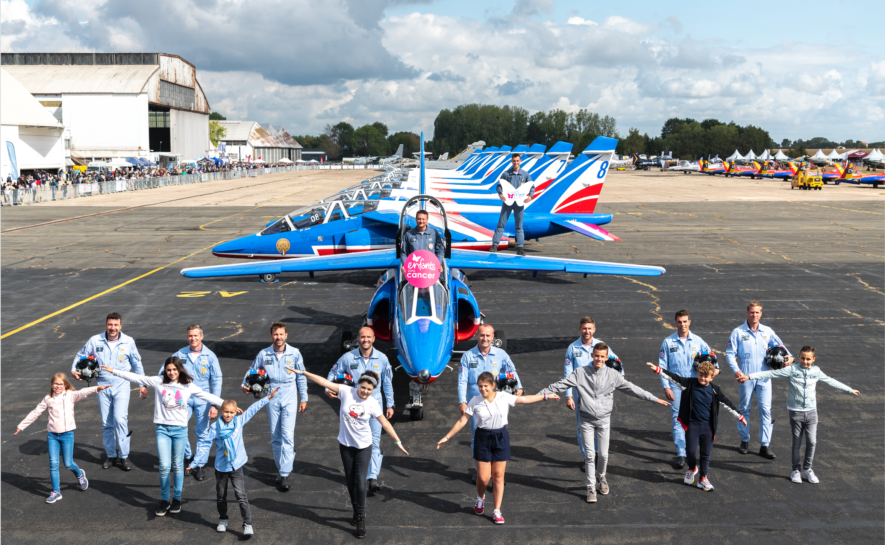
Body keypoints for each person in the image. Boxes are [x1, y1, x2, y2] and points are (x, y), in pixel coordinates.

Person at [539, 343, 670, 503]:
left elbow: (633, 389)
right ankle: (590, 487)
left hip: (604, 421)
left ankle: (601, 477)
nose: (599, 359)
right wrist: (538, 396)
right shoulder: (580, 373)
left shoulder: (613, 375)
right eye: (596, 356)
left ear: (606, 358)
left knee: (603, 455)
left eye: (602, 356)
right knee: (589, 456)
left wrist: (654, 399)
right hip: (586, 420)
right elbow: (558, 385)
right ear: (592, 355)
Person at [101, 357, 225, 516]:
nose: (172, 372)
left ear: (179, 370)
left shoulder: (187, 385)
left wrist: (229, 405)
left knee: (178, 465)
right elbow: (137, 377)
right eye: (169, 370)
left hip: (180, 430)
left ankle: (177, 499)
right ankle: (165, 500)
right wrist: (113, 371)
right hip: (162, 430)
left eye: (175, 369)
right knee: (165, 466)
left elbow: (207, 396)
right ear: (165, 370)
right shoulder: (159, 381)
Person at [293, 368, 408, 539]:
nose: (365, 392)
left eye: (369, 390)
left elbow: (385, 423)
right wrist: (302, 372)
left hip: (363, 447)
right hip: (346, 445)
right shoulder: (346, 391)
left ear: (373, 390)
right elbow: (324, 382)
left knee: (360, 482)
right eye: (363, 388)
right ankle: (355, 511)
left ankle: (361, 518)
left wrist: (397, 441)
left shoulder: (373, 403)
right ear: (358, 385)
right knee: (350, 481)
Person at [439, 372, 557, 524]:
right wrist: (447, 437)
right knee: (482, 477)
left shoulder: (503, 397)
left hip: (500, 437)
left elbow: (524, 399)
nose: (482, 389)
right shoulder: (475, 401)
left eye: (485, 386)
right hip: (483, 438)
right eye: (480, 386)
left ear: (493, 385)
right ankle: (480, 498)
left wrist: (545, 396)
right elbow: (463, 420)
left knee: (498, 477)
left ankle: (496, 511)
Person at [739, 346, 860, 484]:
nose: (805, 361)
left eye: (808, 359)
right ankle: (795, 470)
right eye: (802, 358)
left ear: (813, 359)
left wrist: (849, 390)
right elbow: (769, 374)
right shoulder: (792, 369)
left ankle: (807, 469)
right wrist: (749, 376)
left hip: (811, 412)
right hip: (796, 412)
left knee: (812, 442)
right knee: (797, 442)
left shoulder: (816, 371)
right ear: (799, 357)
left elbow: (830, 380)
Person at [646, 360, 745, 492]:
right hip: (692, 425)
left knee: (706, 454)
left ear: (712, 377)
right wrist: (658, 369)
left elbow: (727, 403)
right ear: (697, 374)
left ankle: (702, 478)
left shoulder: (715, 390)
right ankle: (692, 468)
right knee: (691, 452)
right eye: (700, 375)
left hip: (708, 427)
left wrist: (740, 416)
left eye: (706, 376)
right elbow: (675, 378)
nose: (702, 378)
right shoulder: (690, 384)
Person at [15, 374, 110, 503]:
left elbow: (83, 392)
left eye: (60, 384)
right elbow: (35, 412)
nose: (57, 386)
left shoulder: (70, 395)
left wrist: (97, 388)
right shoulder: (48, 399)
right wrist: (21, 426)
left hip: (67, 435)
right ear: (51, 384)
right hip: (52, 435)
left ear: (65, 385)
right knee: (53, 464)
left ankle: (80, 474)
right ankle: (56, 491)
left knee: (68, 463)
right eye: (55, 383)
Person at [71, 312, 147, 471]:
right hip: (102, 386)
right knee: (107, 423)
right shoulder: (95, 340)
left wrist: (142, 384)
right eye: (110, 325)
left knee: (120, 420)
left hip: (122, 386)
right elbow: (81, 355)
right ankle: (111, 455)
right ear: (106, 325)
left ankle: (124, 456)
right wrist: (74, 370)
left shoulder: (128, 341)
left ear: (121, 326)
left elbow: (137, 363)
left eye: (116, 325)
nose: (113, 328)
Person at [239, 322, 307, 491]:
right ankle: (280, 468)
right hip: (272, 396)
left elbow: (302, 376)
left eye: (281, 334)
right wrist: (244, 384)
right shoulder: (264, 354)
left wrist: (304, 398)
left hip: (290, 395)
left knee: (287, 435)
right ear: (271, 336)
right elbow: (252, 370)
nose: (279, 337)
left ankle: (284, 474)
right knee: (276, 436)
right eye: (276, 334)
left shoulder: (295, 353)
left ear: (286, 335)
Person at [326, 327, 394, 495]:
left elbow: (387, 383)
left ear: (373, 339)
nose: (365, 340)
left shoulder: (382, 359)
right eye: (362, 337)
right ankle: (360, 475)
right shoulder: (348, 358)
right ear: (358, 339)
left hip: (374, 406)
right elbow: (333, 373)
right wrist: (328, 389)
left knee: (375, 440)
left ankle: (372, 478)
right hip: (354, 408)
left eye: (368, 337)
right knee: (356, 443)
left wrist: (390, 404)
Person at [208, 388, 280, 536]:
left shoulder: (239, 421)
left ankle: (247, 524)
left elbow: (253, 409)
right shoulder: (215, 427)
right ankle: (223, 519)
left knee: (241, 495)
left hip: (236, 465)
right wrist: (196, 462)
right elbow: (204, 444)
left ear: (236, 412)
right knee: (221, 495)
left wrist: (268, 398)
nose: (228, 415)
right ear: (221, 411)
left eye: (231, 412)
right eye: (226, 412)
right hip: (221, 466)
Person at [726, 301, 793, 458]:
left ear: (761, 314)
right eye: (751, 312)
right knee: (744, 409)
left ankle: (765, 445)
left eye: (757, 312)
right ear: (747, 312)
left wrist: (789, 359)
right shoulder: (738, 332)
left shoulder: (767, 331)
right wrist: (736, 371)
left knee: (765, 410)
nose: (754, 315)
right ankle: (744, 441)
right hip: (746, 376)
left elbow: (782, 349)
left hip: (764, 377)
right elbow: (730, 353)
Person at [458, 324, 523, 483]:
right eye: (482, 335)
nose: (485, 338)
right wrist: (462, 402)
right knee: (477, 438)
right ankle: (480, 471)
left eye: (488, 336)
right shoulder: (468, 356)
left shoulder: (501, 354)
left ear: (493, 337)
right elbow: (462, 381)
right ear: (477, 336)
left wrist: (519, 387)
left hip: (497, 401)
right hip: (475, 401)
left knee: (497, 436)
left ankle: (495, 475)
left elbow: (512, 371)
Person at [657, 310, 719, 468]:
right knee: (678, 418)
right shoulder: (668, 342)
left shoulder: (699, 342)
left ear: (689, 322)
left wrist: (711, 375)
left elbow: (714, 363)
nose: (682, 324)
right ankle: (681, 454)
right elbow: (662, 367)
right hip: (676, 386)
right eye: (679, 321)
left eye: (685, 321)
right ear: (675, 323)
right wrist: (666, 387)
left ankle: (692, 449)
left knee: (695, 419)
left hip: (695, 386)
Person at [161, 324, 222, 482]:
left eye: (196, 336)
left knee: (202, 432)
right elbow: (164, 369)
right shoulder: (180, 354)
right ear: (187, 337)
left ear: (201, 336)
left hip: (203, 399)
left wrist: (215, 404)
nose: (193, 339)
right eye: (190, 336)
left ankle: (200, 464)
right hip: (184, 398)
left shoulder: (210, 356)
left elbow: (216, 380)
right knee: (179, 427)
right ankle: (189, 456)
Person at [563, 316, 623, 471]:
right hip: (581, 394)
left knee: (599, 426)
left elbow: (617, 363)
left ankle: (596, 455)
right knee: (581, 427)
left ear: (594, 329)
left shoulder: (601, 346)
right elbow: (568, 374)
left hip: (600, 392)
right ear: (580, 329)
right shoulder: (573, 348)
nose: (587, 331)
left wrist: (620, 377)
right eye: (584, 328)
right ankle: (588, 457)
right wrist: (568, 395)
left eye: (590, 328)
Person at [490, 154, 534, 256]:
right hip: (508, 203)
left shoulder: (525, 174)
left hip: (519, 204)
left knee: (519, 226)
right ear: (511, 161)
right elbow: (499, 186)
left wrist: (530, 197)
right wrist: (500, 194)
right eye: (514, 161)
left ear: (520, 161)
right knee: (501, 224)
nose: (516, 163)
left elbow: (532, 186)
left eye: (517, 161)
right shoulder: (506, 174)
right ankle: (494, 245)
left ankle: (520, 248)